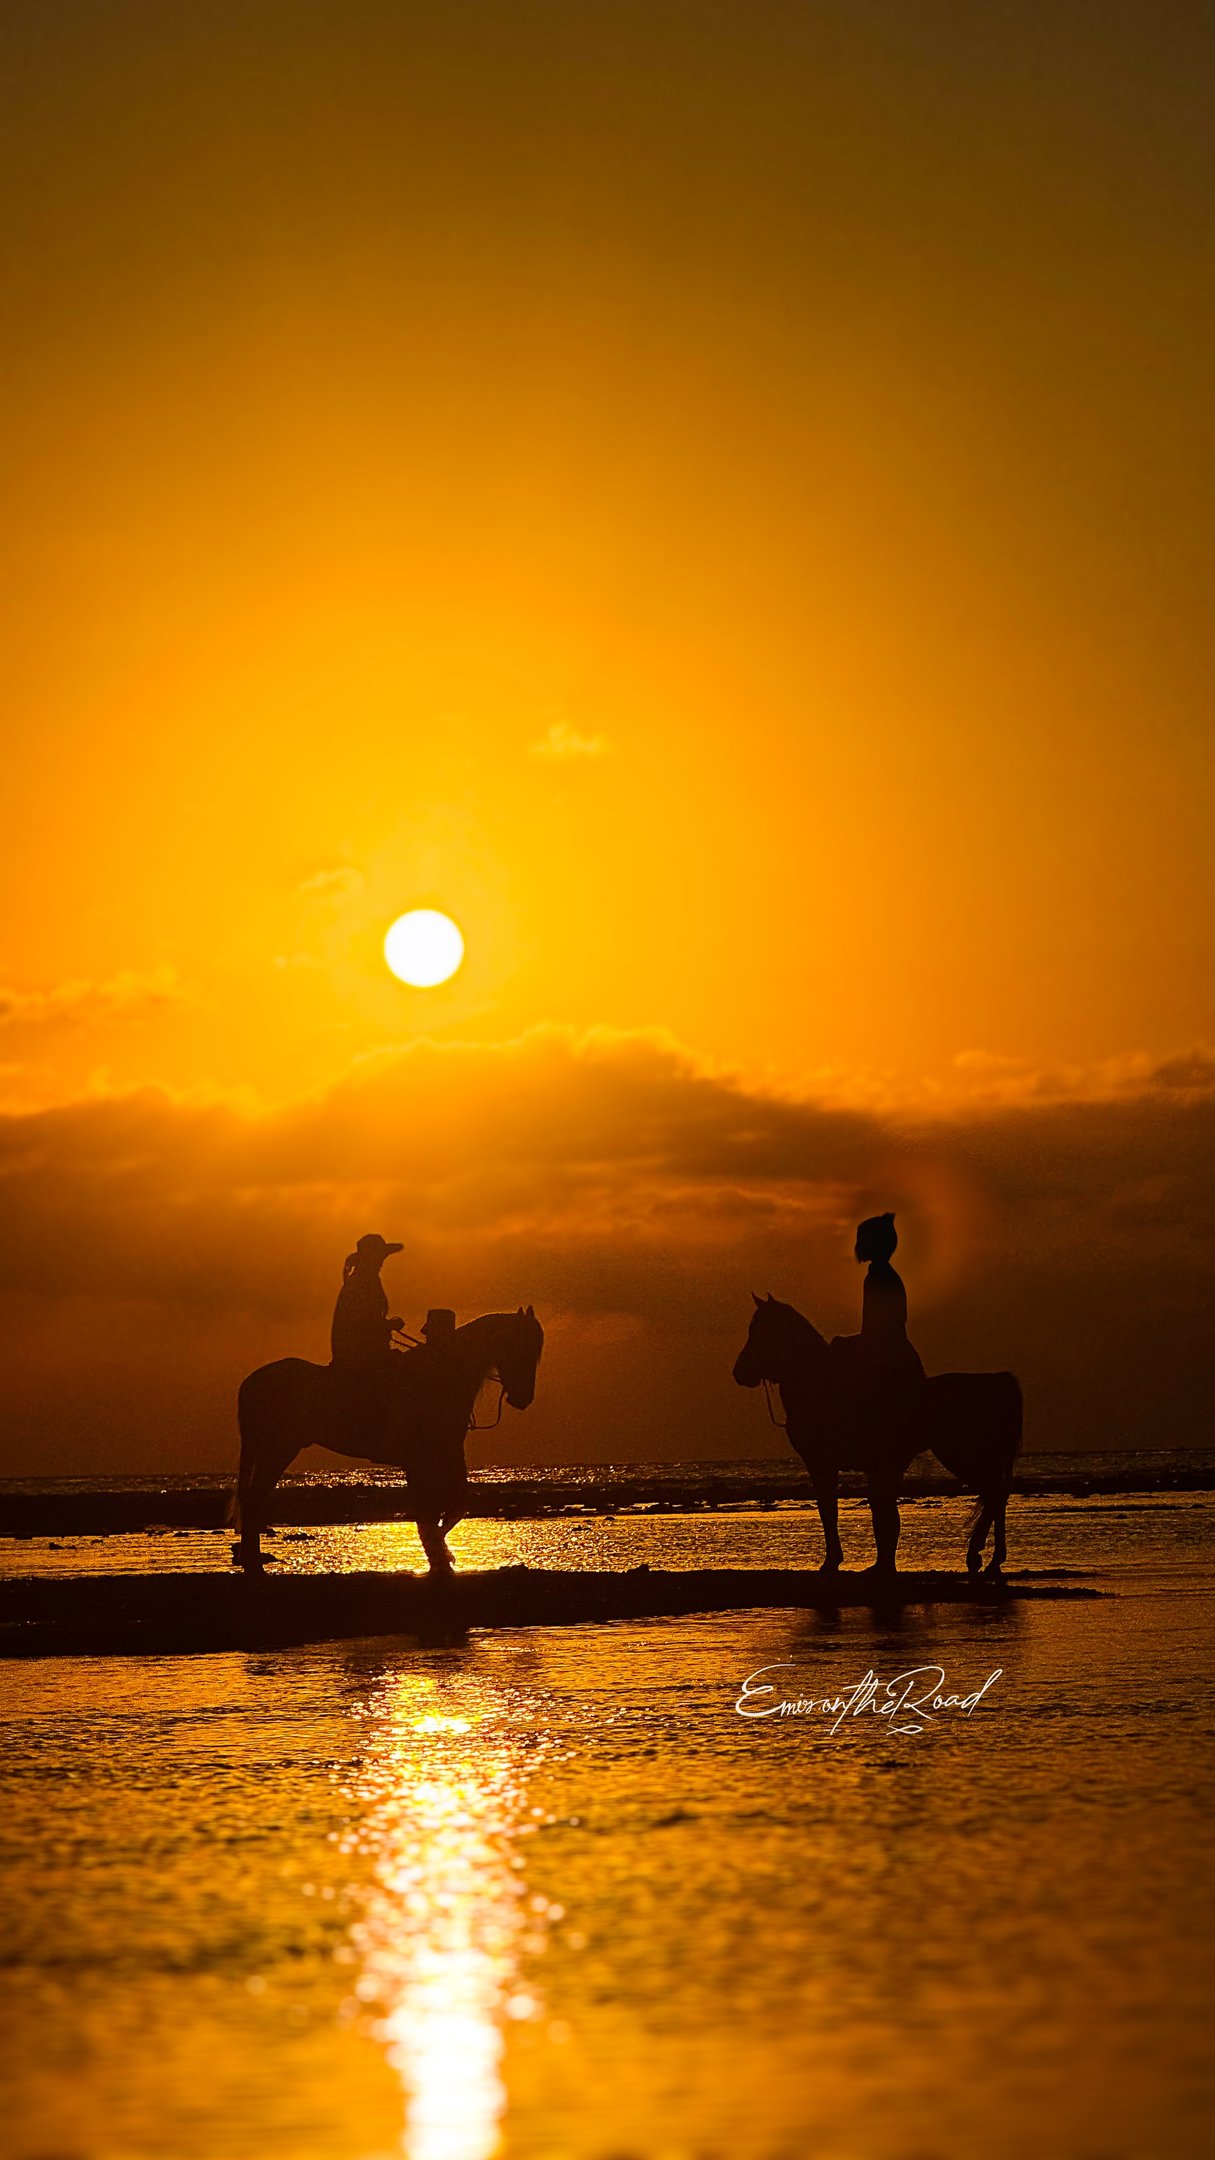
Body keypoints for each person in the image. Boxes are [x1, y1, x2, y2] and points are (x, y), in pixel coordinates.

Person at [330, 1235, 405, 1418]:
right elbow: (361, 1320)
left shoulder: (366, 1280)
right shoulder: (361, 1282)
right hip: (358, 1352)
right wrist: (388, 1324)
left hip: (366, 1348)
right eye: (379, 1257)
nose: (381, 1262)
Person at [852, 1212, 924, 1380]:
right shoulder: (888, 1274)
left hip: (883, 1348)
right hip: (896, 1346)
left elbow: (872, 1325)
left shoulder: (877, 1277)